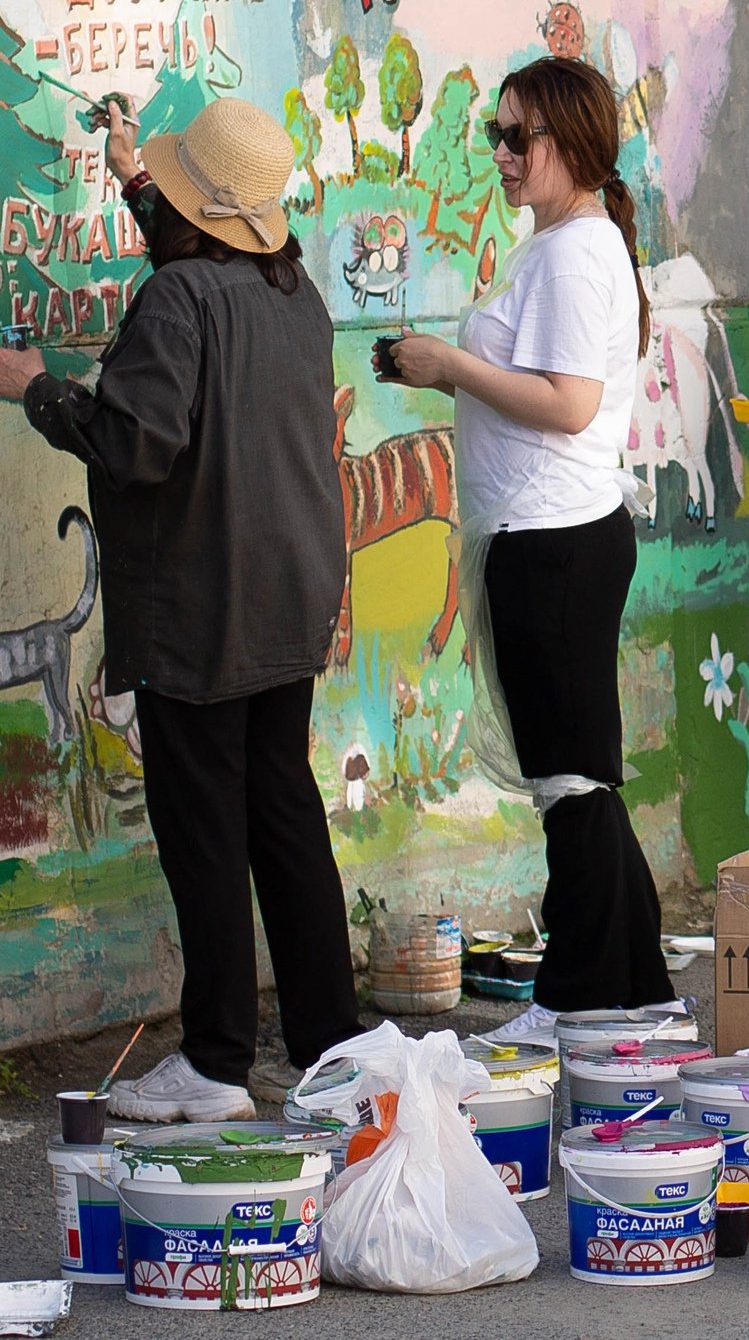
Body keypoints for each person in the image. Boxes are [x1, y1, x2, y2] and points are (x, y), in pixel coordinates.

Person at [0, 97, 363, 1119]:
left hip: (202, 608)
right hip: (287, 600)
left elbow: (134, 445)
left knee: (204, 829)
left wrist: (37, 387)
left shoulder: (176, 303)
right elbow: (191, 254)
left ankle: (214, 1062)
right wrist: (130, 179)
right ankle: (331, 1043)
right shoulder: (294, 293)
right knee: (282, 816)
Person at [383, 56, 670, 1038]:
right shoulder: (563, 246)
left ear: (575, 146)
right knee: (581, 774)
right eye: (496, 134)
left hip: (555, 540)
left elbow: (568, 403)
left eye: (521, 137)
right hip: (548, 532)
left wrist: (447, 364)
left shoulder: (574, 254)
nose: (502, 153)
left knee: (569, 781)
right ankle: (639, 989)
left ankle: (577, 1000)